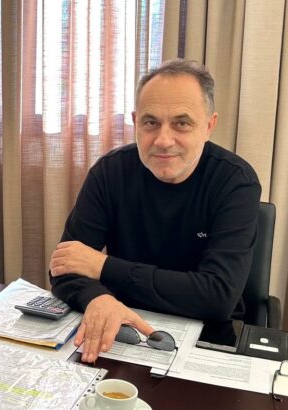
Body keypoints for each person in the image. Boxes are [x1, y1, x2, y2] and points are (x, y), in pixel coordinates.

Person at [49, 59, 261, 363]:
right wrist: (98, 297)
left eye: (181, 123)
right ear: (136, 122)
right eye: (150, 122)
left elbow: (217, 297)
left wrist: (103, 267)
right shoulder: (110, 173)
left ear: (209, 126)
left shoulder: (235, 181)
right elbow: (65, 265)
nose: (163, 140)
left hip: (205, 337)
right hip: (119, 326)